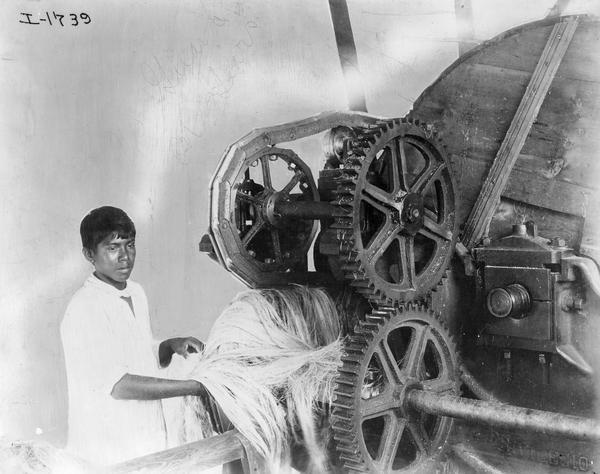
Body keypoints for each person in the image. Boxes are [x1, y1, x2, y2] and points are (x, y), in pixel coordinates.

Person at [60, 206, 206, 466]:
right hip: (107, 452)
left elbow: (138, 355)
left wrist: (170, 346)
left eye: (130, 245)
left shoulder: (136, 293)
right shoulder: (84, 308)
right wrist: (195, 388)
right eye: (112, 247)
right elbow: (118, 385)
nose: (125, 257)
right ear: (89, 254)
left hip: (146, 441)